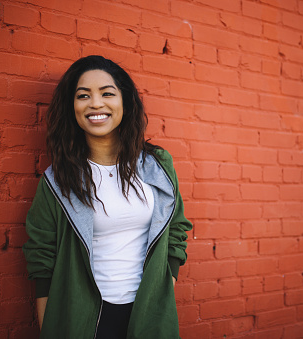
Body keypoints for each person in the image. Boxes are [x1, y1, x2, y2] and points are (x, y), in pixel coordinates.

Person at [23, 55, 192, 338]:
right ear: (73, 107)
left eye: (107, 93)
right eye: (83, 95)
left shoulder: (158, 166)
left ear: (124, 101)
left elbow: (176, 229)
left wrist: (165, 285)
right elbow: (41, 258)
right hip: (84, 320)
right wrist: (49, 327)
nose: (96, 104)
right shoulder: (58, 180)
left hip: (149, 314)